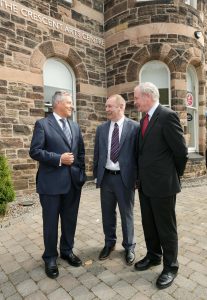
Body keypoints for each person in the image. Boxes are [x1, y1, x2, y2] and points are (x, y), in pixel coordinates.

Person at [134, 82, 188, 289]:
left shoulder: (167, 116)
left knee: (166, 227)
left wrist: (173, 176)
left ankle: (171, 267)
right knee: (149, 223)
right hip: (146, 185)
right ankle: (154, 256)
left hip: (164, 185)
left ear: (148, 96)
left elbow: (180, 152)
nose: (135, 101)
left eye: (137, 97)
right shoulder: (143, 120)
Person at [29, 91, 86, 279]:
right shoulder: (43, 124)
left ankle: (67, 251)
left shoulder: (75, 127)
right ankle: (50, 258)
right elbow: (35, 151)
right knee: (51, 223)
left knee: (70, 220)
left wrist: (81, 175)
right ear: (58, 104)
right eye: (69, 102)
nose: (72, 106)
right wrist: (58, 159)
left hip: (72, 184)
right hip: (51, 185)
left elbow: (81, 154)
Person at [93, 94, 139, 265]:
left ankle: (129, 247)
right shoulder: (101, 128)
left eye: (109, 106)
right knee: (107, 214)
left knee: (126, 214)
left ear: (121, 107)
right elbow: (97, 153)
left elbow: (138, 155)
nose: (106, 110)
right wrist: (96, 174)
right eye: (106, 107)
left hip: (125, 179)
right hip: (106, 178)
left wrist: (138, 179)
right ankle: (109, 243)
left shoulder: (134, 127)